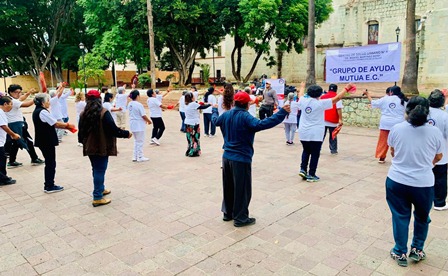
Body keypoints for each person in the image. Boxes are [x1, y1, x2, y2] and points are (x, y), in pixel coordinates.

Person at [212, 91, 291, 227]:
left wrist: (214, 109)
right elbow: (262, 124)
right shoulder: (245, 117)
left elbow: (215, 121)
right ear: (247, 104)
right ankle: (240, 218)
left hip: (226, 157)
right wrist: (281, 113)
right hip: (241, 158)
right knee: (241, 189)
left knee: (229, 186)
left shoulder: (226, 115)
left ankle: (228, 213)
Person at [386, 96, 443, 267]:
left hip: (397, 181)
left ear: (407, 110)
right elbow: (439, 156)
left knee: (400, 216)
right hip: (423, 183)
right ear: (428, 112)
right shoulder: (435, 132)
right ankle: (417, 249)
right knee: (422, 217)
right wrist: (426, 165)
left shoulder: (396, 129)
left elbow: (393, 152)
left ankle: (400, 251)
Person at [78, 90, 132, 207]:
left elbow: (80, 132)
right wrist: (126, 133)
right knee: (99, 170)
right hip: (101, 146)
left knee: (96, 169)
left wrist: (83, 142)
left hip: (90, 146)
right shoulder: (103, 113)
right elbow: (113, 129)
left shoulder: (83, 114)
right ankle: (97, 196)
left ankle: (100, 189)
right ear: (99, 100)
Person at [297, 82, 350, 182]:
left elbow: (300, 95)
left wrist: (302, 86)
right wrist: (346, 89)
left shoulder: (303, 101)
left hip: (304, 132)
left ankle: (303, 169)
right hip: (316, 133)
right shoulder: (321, 103)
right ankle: (311, 174)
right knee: (315, 154)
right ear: (319, 94)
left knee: (306, 150)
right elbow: (337, 99)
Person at [32, 93, 76, 193]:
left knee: (50, 162)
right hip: (46, 141)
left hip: (44, 140)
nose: (49, 103)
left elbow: (53, 124)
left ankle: (49, 184)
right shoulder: (42, 112)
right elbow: (55, 123)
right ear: (43, 102)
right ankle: (49, 185)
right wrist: (68, 125)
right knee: (50, 163)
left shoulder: (38, 111)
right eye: (47, 101)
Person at [364, 86, 408, 163]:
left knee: (383, 141)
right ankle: (398, 157)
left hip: (385, 123)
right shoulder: (403, 100)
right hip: (399, 124)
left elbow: (373, 103)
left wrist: (367, 94)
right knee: (398, 141)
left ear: (391, 92)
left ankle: (381, 157)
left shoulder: (385, 98)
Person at [5, 84, 44, 168]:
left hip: (15, 124)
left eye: (20, 92)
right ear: (11, 92)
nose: (19, 94)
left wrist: (28, 93)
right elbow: (26, 104)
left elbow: (20, 99)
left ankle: (12, 161)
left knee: (16, 142)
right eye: (16, 92)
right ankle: (34, 158)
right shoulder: (12, 101)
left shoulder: (10, 99)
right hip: (16, 124)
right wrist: (38, 98)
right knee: (28, 141)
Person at [427, 90, 448, 211]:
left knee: (427, 174)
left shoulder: (423, 112)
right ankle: (439, 203)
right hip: (441, 151)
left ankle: (426, 198)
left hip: (424, 151)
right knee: (440, 177)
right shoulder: (444, 115)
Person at [0, 97, 20, 185]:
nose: (11, 107)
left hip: (1, 140)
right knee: (1, 160)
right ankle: (3, 179)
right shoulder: (0, 112)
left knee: (2, 159)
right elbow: (4, 126)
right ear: (5, 104)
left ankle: (3, 177)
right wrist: (13, 134)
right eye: (10, 104)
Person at [184, 92, 211, 157]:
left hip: (187, 123)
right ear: (192, 98)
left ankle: (189, 150)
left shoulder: (187, 104)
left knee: (189, 137)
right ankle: (193, 152)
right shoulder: (193, 104)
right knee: (195, 138)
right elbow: (203, 107)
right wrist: (209, 104)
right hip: (194, 123)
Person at [128, 90, 152, 162]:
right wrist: (149, 121)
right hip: (139, 124)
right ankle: (140, 156)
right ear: (138, 96)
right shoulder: (138, 104)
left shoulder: (130, 104)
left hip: (133, 123)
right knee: (140, 141)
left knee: (136, 141)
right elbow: (143, 115)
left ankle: (135, 156)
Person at [321, 84, 343, 154]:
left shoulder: (322, 97)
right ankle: (333, 150)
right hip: (333, 121)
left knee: (321, 135)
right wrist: (340, 119)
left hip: (323, 120)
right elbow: (338, 109)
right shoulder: (337, 98)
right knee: (333, 136)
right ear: (336, 90)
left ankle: (318, 148)